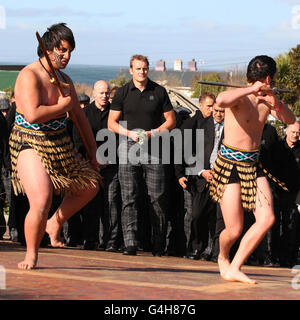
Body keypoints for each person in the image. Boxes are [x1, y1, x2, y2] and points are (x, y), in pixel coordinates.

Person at [9, 23, 100, 269]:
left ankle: (55, 222)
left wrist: (93, 153)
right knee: (41, 200)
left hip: (59, 143)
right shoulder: (29, 75)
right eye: (62, 51)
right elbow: (32, 114)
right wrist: (64, 106)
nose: (66, 56)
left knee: (90, 184)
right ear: (47, 49)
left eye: (70, 51)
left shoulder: (64, 79)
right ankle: (31, 253)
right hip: (30, 141)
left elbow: (80, 120)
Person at [209, 55, 295, 284]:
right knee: (234, 229)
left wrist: (274, 100)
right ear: (268, 77)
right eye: (273, 79)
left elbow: (290, 119)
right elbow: (220, 100)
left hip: (252, 166)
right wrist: (250, 90)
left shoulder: (268, 101)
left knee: (267, 218)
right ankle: (223, 257)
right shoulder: (238, 97)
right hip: (229, 166)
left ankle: (235, 266)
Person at [108, 54, 176, 256]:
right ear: (131, 70)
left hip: (154, 148)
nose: (142, 72)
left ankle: (158, 245)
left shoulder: (159, 91)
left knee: (157, 198)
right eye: (138, 69)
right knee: (129, 196)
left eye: (145, 68)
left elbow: (171, 121)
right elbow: (111, 123)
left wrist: (152, 133)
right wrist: (129, 133)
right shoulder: (122, 92)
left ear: (148, 69)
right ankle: (130, 243)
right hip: (129, 146)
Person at [73, 80, 123, 251]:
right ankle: (90, 239)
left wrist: (108, 159)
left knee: (111, 204)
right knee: (90, 206)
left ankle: (111, 241)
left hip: (111, 166)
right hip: (89, 166)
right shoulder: (84, 113)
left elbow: (120, 141)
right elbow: (78, 140)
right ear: (94, 94)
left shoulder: (116, 115)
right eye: (101, 93)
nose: (104, 96)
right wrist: (91, 159)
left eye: (107, 93)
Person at [175, 102, 225, 260]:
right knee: (197, 215)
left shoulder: (232, 129)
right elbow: (189, 152)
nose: (217, 114)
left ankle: (216, 252)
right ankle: (197, 247)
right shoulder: (200, 126)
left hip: (223, 179)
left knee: (219, 218)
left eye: (221, 111)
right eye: (215, 110)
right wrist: (201, 171)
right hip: (202, 178)